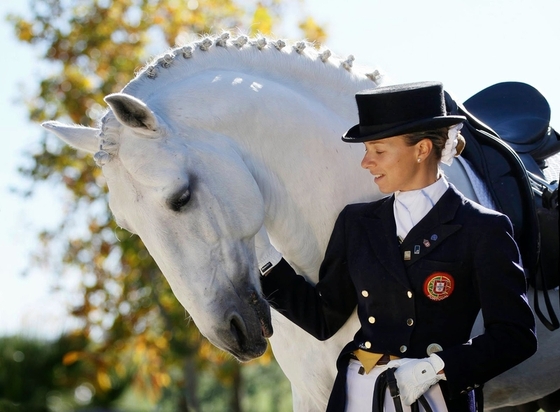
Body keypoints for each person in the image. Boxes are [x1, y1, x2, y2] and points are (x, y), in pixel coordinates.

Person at [256, 81, 537, 411]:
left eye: (378, 150)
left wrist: (435, 368)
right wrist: (264, 259)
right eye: (366, 150)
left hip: (434, 397)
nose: (366, 162)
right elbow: (323, 319)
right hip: (357, 393)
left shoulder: (483, 228)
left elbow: (515, 336)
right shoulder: (356, 223)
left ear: (421, 150)